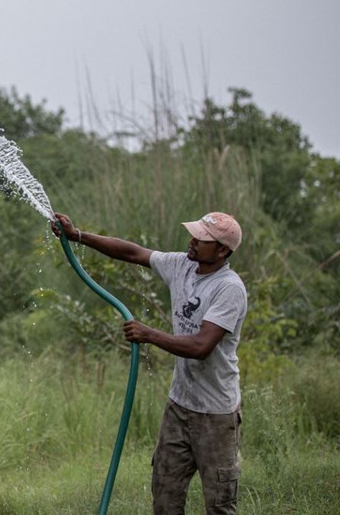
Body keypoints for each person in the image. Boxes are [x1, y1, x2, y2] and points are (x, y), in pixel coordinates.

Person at [50, 211, 247, 515]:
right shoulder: (182, 264)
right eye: (194, 233)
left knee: (220, 505)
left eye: (202, 239)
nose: (192, 241)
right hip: (179, 407)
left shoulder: (228, 288)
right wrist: (77, 235)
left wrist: (148, 334)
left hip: (215, 415)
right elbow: (131, 251)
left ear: (222, 251)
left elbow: (201, 346)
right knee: (165, 496)